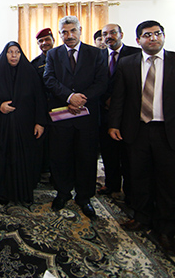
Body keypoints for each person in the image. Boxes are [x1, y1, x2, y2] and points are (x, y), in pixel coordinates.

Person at [108, 20, 175, 254]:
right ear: (138, 40)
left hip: (171, 132)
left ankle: (166, 229)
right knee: (138, 178)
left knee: (169, 183)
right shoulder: (127, 63)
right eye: (147, 35)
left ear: (164, 37)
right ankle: (141, 217)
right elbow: (119, 97)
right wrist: (114, 124)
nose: (153, 38)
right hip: (137, 130)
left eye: (157, 34)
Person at [44, 16, 107, 218]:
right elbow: (49, 79)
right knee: (60, 157)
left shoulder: (96, 53)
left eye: (72, 31)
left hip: (86, 117)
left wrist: (81, 99)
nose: (69, 35)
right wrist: (69, 97)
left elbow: (102, 82)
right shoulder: (53, 54)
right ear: (60, 34)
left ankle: (84, 197)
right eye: (64, 32)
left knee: (86, 158)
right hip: (62, 116)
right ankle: (62, 193)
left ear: (80, 30)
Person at [0, 41, 47, 206]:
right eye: (10, 52)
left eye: (17, 52)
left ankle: (25, 192)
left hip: (26, 127)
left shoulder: (30, 73)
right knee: (4, 158)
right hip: (3, 127)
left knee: (24, 160)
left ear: (21, 54)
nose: (13, 55)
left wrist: (40, 122)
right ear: (5, 54)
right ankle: (4, 192)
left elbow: (40, 99)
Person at [97, 23, 141, 200]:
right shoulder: (98, 56)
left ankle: (130, 191)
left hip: (128, 113)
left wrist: (117, 102)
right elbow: (95, 81)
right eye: (105, 34)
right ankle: (111, 184)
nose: (109, 36)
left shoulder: (136, 54)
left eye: (113, 33)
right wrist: (105, 99)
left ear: (121, 34)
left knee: (129, 155)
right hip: (105, 112)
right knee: (108, 152)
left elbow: (138, 83)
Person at [30, 28, 55, 180]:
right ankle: (43, 170)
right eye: (41, 41)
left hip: (60, 107)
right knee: (43, 141)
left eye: (47, 39)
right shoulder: (35, 64)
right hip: (42, 108)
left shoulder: (62, 58)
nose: (44, 43)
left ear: (53, 40)